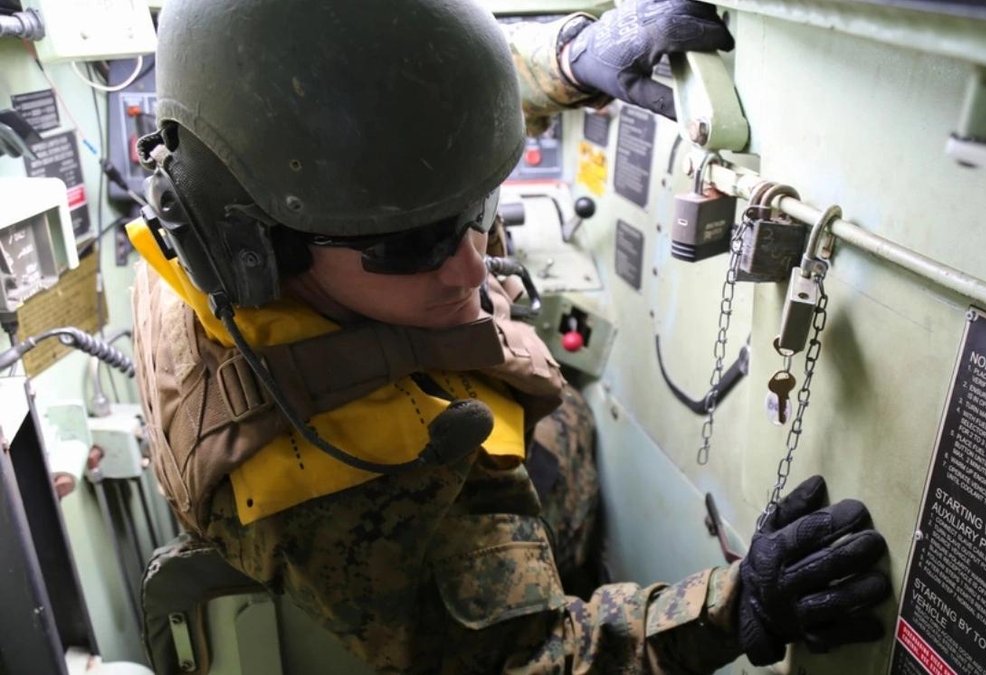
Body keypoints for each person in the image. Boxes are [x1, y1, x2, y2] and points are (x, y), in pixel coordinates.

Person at [129, 0, 892, 672]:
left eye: (477, 208)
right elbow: (529, 659)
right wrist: (736, 606)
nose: (471, 265)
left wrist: (571, 59)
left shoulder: (243, 156)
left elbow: (389, 102)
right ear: (252, 252)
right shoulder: (340, 483)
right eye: (411, 244)